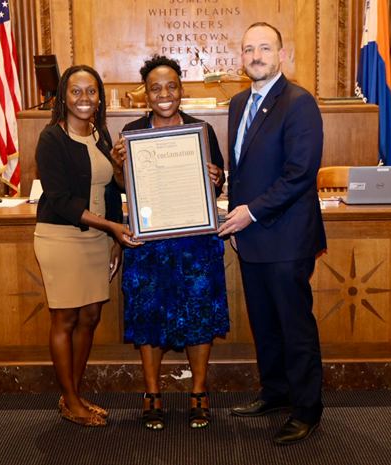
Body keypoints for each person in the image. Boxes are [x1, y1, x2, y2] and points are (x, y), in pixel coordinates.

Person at [217, 22, 327, 445]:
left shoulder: (299, 103)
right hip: (252, 237)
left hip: (286, 237)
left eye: (265, 48)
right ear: (241, 57)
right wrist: (236, 214)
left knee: (294, 324)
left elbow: (300, 173)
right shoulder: (239, 102)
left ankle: (307, 407)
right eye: (248, 49)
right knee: (265, 324)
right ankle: (277, 392)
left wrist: (251, 214)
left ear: (282, 55)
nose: (256, 56)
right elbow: (242, 172)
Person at [110, 55, 230, 430]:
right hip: (150, 245)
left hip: (195, 243)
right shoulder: (131, 130)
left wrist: (216, 176)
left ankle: (198, 393)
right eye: (156, 87)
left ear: (182, 90)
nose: (165, 94)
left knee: (199, 316)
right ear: (145, 93)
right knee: (149, 317)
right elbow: (121, 187)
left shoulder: (201, 130)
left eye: (172, 86)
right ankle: (152, 394)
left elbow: (219, 179)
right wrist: (118, 165)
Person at [33, 64, 142, 427]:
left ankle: (73, 395)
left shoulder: (102, 134)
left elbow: (115, 189)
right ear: (63, 95)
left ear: (100, 96)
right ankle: (71, 399)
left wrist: (113, 239)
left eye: (91, 91)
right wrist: (113, 226)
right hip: (61, 237)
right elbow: (62, 201)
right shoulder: (52, 138)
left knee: (91, 317)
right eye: (76, 91)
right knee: (65, 318)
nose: (84, 99)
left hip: (98, 239)